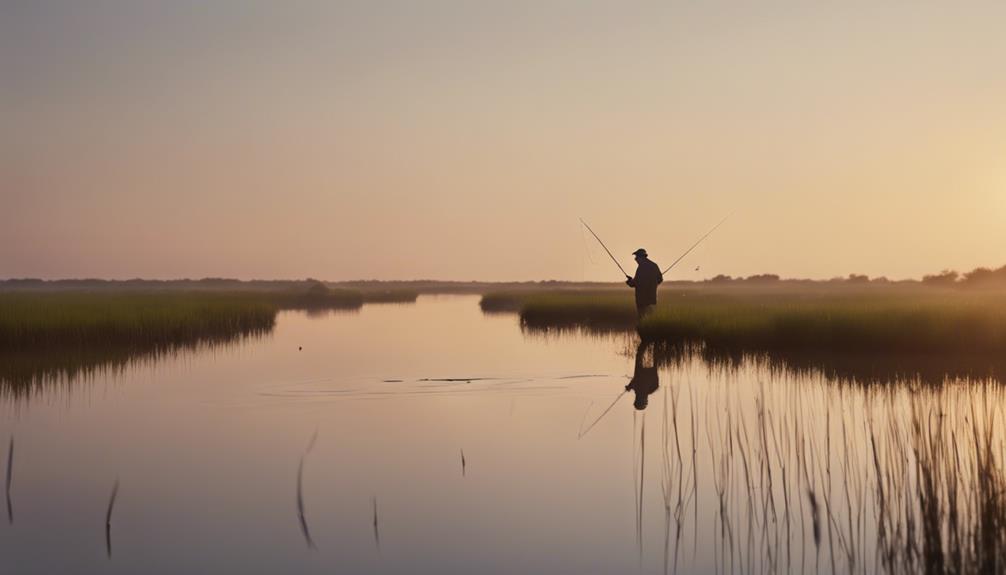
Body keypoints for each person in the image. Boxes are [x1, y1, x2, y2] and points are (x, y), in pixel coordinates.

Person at [625, 248, 663, 318]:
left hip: (642, 299)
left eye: (636, 257)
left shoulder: (641, 268)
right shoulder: (654, 265)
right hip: (652, 298)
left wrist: (629, 282)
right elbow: (660, 279)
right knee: (651, 318)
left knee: (642, 318)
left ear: (641, 257)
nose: (635, 259)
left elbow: (635, 283)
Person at [625, 340, 658, 410]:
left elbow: (635, 382)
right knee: (640, 354)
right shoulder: (639, 390)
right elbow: (635, 382)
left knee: (641, 354)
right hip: (643, 370)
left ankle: (648, 342)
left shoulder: (651, 390)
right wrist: (629, 387)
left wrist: (629, 387)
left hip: (648, 369)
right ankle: (646, 342)